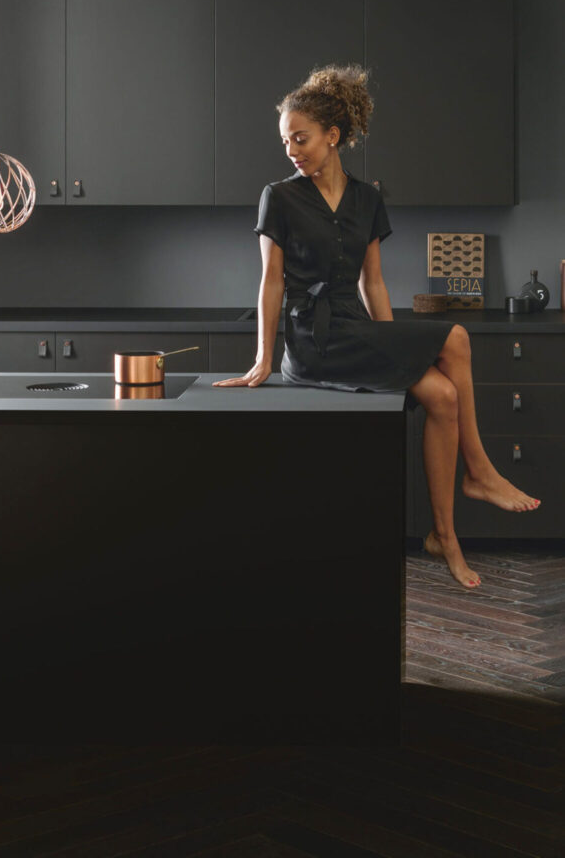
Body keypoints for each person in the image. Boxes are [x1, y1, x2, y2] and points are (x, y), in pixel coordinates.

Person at [213, 63, 541, 589]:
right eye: (285, 141)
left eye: (301, 138)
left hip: (356, 329)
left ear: (333, 136)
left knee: (443, 396)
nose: (291, 150)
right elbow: (271, 283)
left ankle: (443, 537)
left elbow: (375, 284)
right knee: (455, 337)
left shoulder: (368, 198)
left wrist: (397, 353)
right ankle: (479, 472)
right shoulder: (280, 196)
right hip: (313, 341)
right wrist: (262, 359)